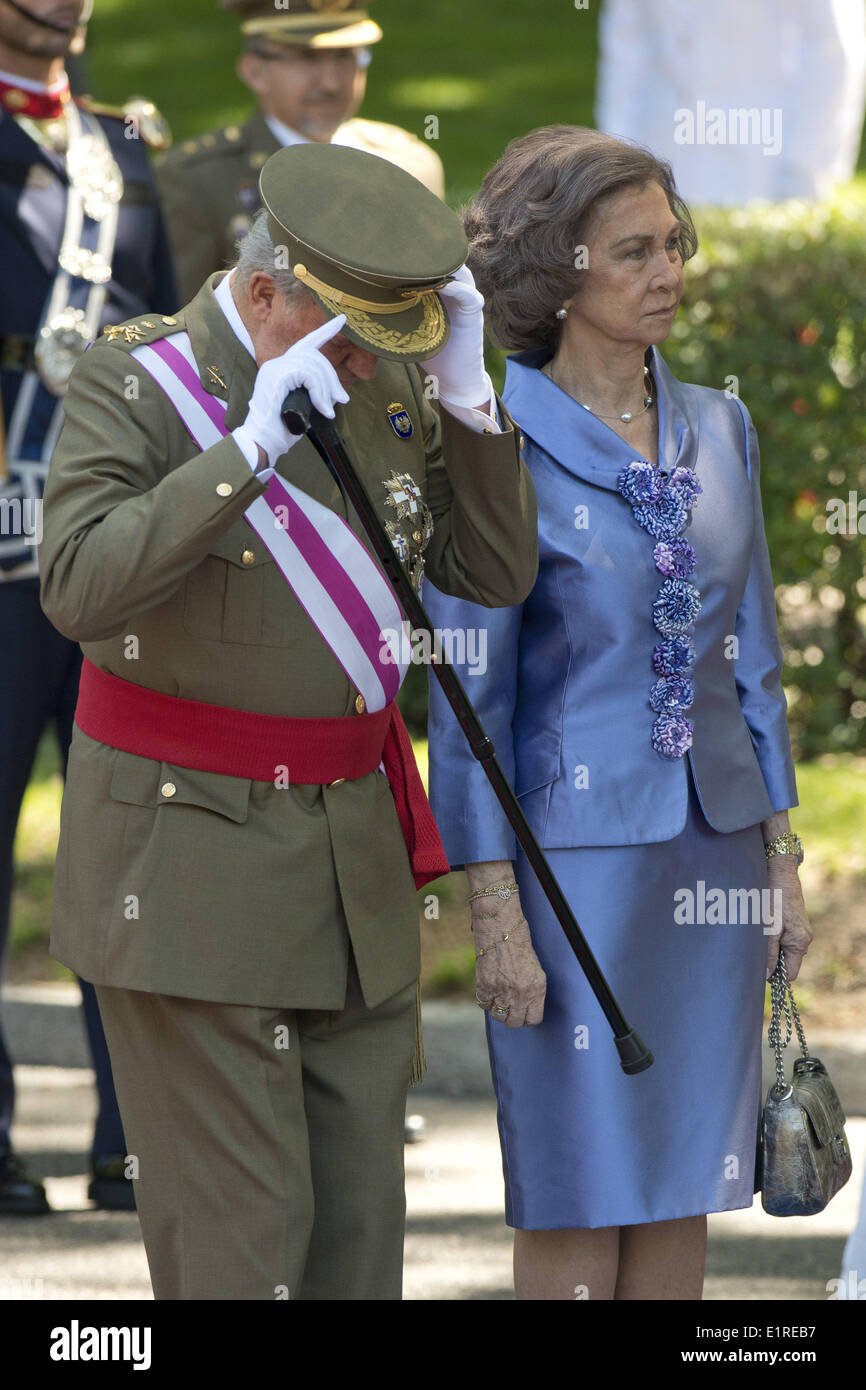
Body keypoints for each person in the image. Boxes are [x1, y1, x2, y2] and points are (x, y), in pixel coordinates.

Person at [37, 141, 537, 1299]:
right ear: (264, 294)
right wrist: (247, 447)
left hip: (348, 869)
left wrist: (466, 393)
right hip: (187, 867)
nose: (369, 369)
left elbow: (494, 570)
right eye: (354, 341)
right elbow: (77, 587)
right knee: (243, 1253)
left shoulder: (389, 381)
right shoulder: (137, 381)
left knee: (357, 1248)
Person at [425, 125, 813, 1300]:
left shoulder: (721, 426)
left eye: (673, 245)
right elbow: (466, 706)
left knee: (687, 1180)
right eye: (632, 251)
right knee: (580, 1180)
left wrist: (781, 857)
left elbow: (752, 659)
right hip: (568, 874)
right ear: (556, 274)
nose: (667, 273)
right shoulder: (490, 451)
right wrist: (492, 909)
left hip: (714, 851)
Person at [0, 0, 176, 1214]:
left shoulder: (124, 143)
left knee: (130, 842)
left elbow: (163, 340)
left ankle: (135, 1137)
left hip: (112, 530)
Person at [157, 0, 445, 304]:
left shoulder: (410, 165)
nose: (331, 82)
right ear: (254, 71)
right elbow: (187, 329)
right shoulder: (197, 181)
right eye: (308, 58)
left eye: (345, 56)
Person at [596, 0, 866, 205]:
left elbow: (832, 48)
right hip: (659, 157)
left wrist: (805, 174)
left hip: (763, 168)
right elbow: (627, 44)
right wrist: (618, 167)